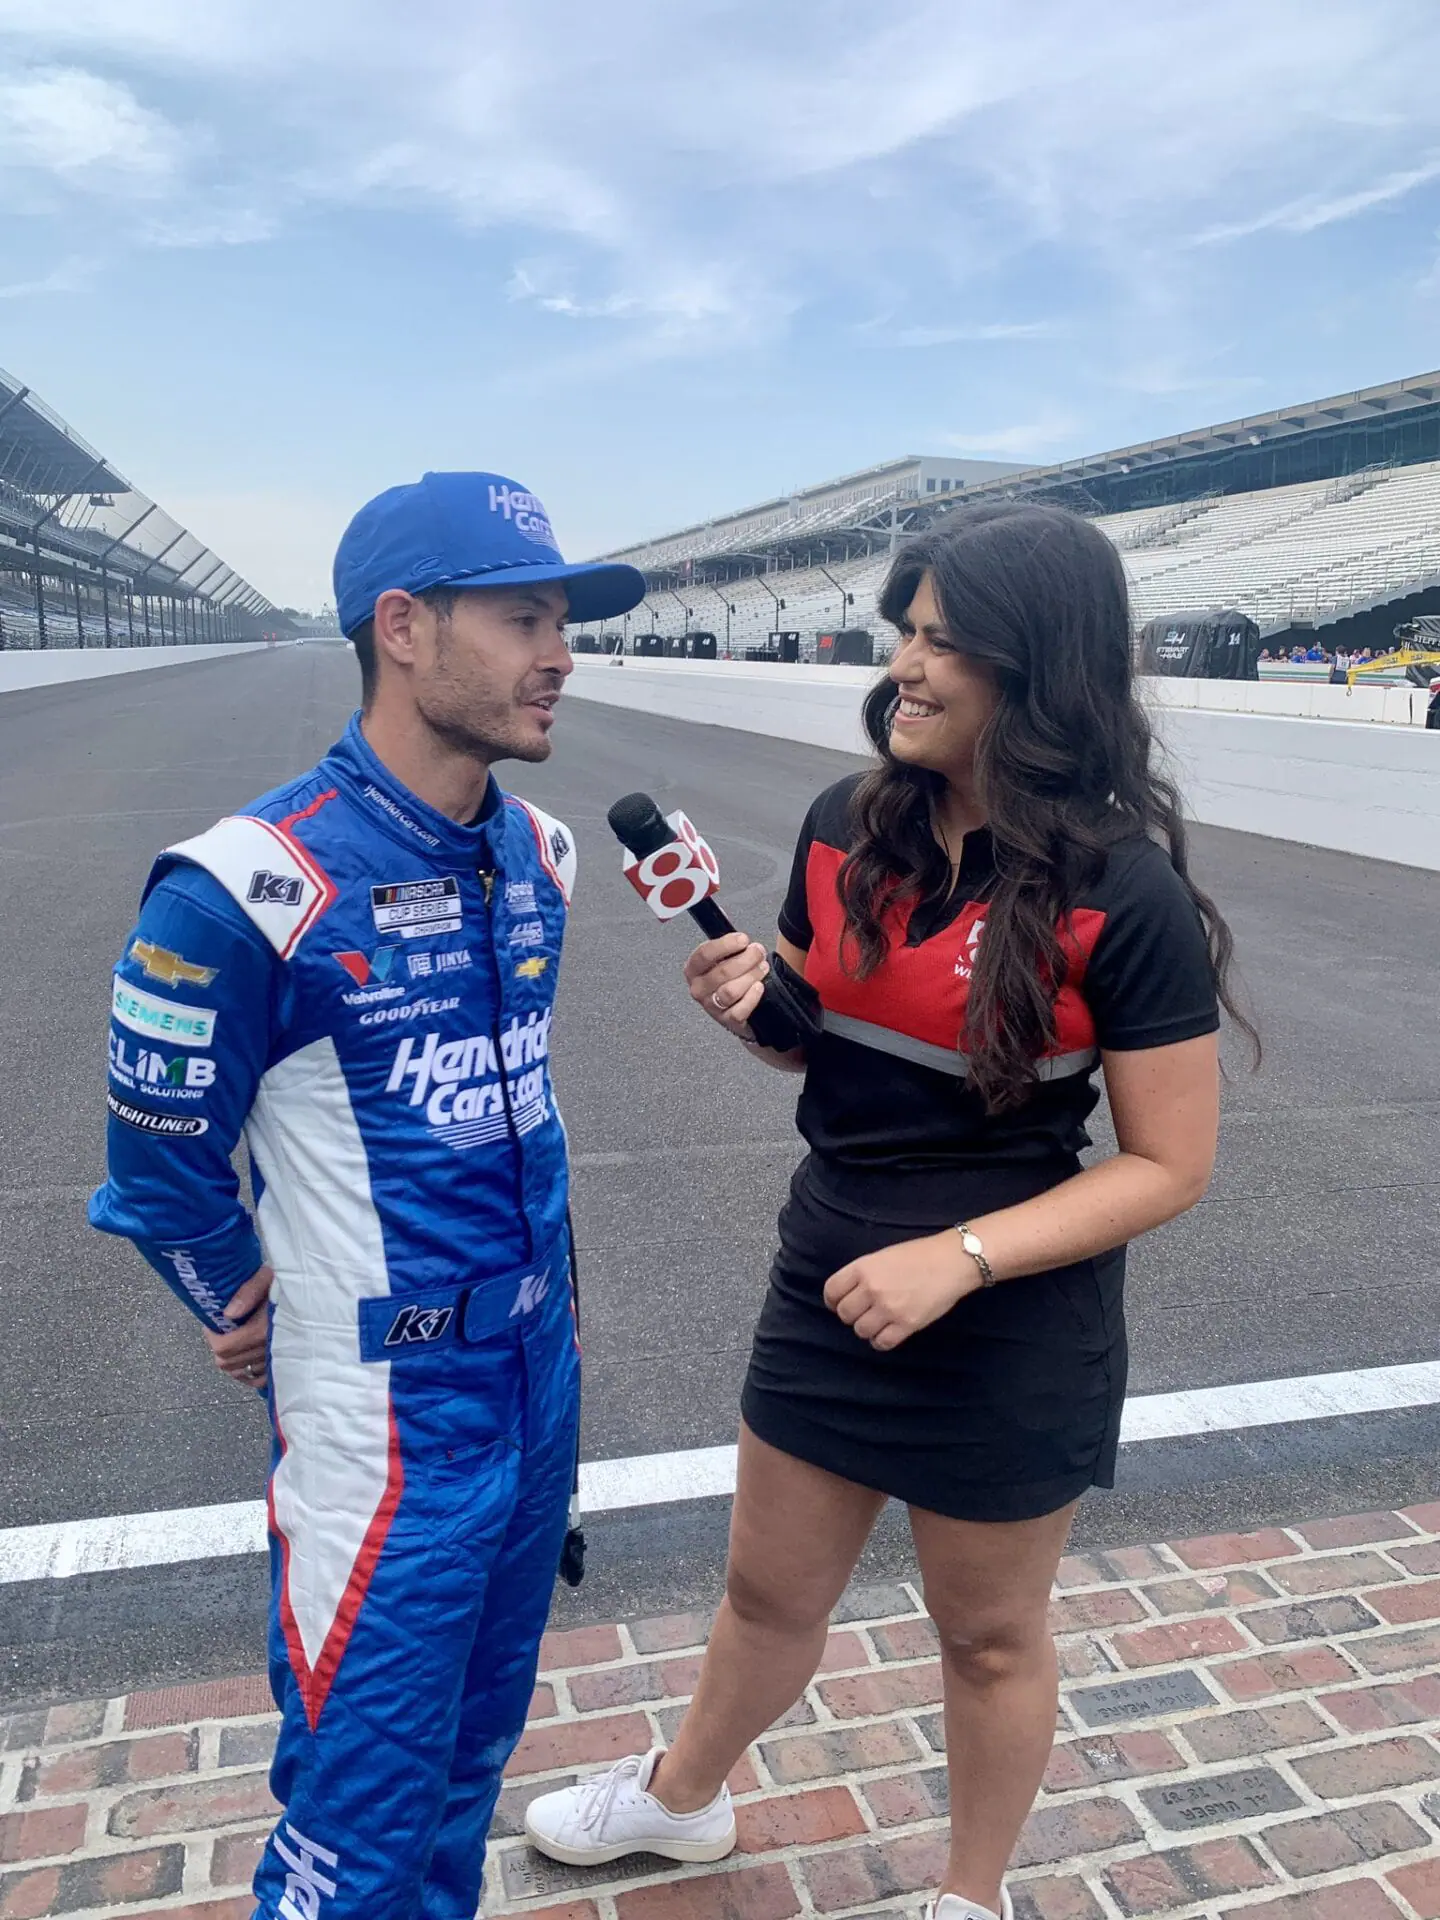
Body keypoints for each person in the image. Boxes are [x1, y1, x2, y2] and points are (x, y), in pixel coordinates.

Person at [525, 503, 1254, 1920]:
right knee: (764, 1595)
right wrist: (759, 1013)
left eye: (942, 641)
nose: (904, 667)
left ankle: (966, 1895)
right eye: (904, 633)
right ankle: (682, 1807)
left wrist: (961, 1260)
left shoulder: (1126, 891)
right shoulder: (842, 824)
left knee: (986, 1637)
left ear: (1033, 670)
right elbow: (818, 1033)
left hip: (1011, 1305)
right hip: (830, 1266)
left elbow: (1169, 1164)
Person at [89, 470, 644, 1920]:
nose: (562, 652)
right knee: (354, 1828)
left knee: (466, 1779)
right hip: (383, 1425)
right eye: (525, 617)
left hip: (536, 1387)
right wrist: (246, 1306)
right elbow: (157, 1167)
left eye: (564, 618)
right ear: (404, 627)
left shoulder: (543, 856)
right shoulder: (238, 885)